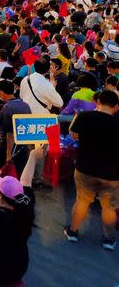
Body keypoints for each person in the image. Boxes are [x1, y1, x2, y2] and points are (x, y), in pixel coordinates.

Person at [65, 89, 118, 250]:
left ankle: (73, 232)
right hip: (111, 173)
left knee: (81, 200)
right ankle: (108, 240)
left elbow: (73, 135)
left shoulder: (84, 116)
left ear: (97, 102)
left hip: (84, 168)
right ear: (116, 107)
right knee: (108, 207)